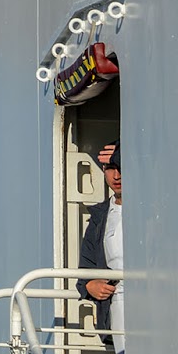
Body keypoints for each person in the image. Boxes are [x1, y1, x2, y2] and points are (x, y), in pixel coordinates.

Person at [77, 141, 125, 353]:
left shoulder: (156, 209)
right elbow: (84, 273)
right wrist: (90, 286)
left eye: (122, 167)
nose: (117, 176)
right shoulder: (100, 216)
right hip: (117, 309)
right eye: (110, 168)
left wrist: (123, 152)